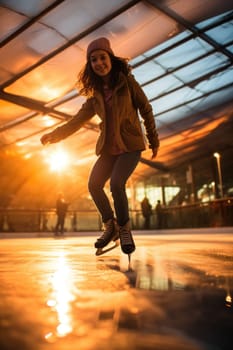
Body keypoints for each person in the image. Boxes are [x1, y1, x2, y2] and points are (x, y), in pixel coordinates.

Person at [41, 37, 159, 255]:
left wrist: (153, 140)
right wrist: (54, 135)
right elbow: (76, 121)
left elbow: (146, 109)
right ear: (90, 65)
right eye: (93, 60)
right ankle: (110, 226)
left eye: (102, 58)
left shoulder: (128, 83)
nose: (99, 63)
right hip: (108, 149)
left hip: (131, 145)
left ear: (110, 59)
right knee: (94, 184)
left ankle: (124, 229)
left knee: (116, 184)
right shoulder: (94, 96)